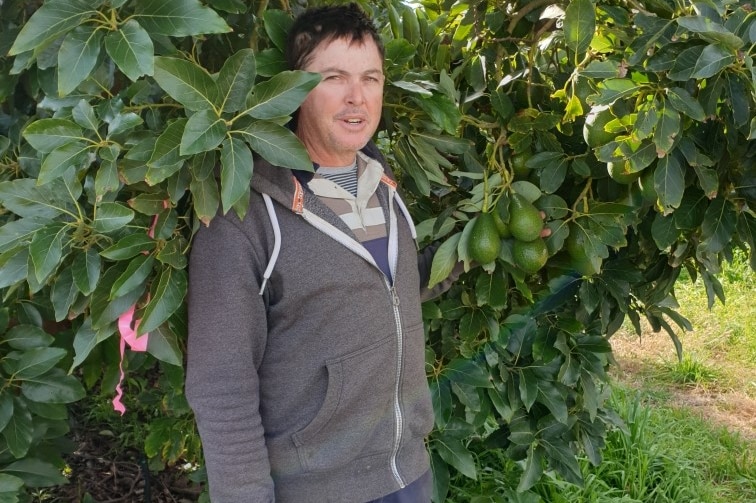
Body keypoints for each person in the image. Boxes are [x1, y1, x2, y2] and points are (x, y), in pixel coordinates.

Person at [186, 4, 456, 501]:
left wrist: (468, 254)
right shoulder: (243, 218)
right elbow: (221, 387)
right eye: (334, 77)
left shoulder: (383, 188)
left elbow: (390, 289)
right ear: (294, 87)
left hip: (409, 475)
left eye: (371, 78)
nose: (357, 97)